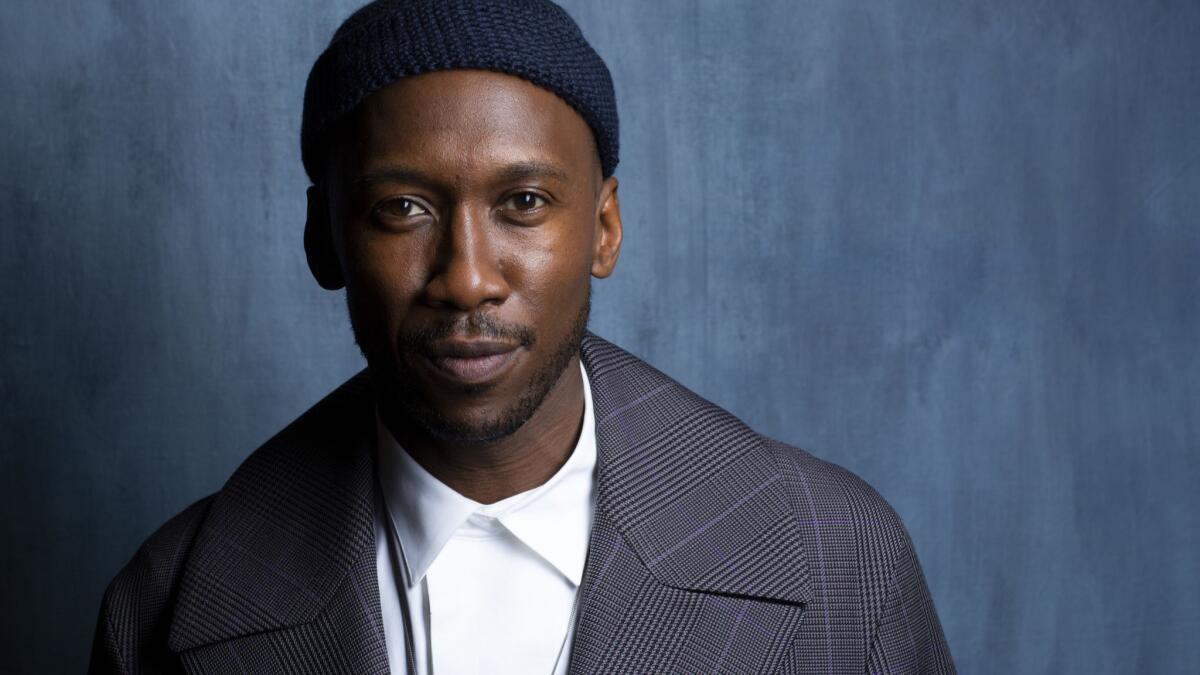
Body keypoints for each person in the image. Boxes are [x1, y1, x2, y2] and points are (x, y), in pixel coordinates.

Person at [90, 1, 955, 673]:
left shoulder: (839, 557)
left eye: (525, 203)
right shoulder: (166, 604)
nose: (467, 277)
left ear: (606, 230)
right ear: (325, 240)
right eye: (404, 209)